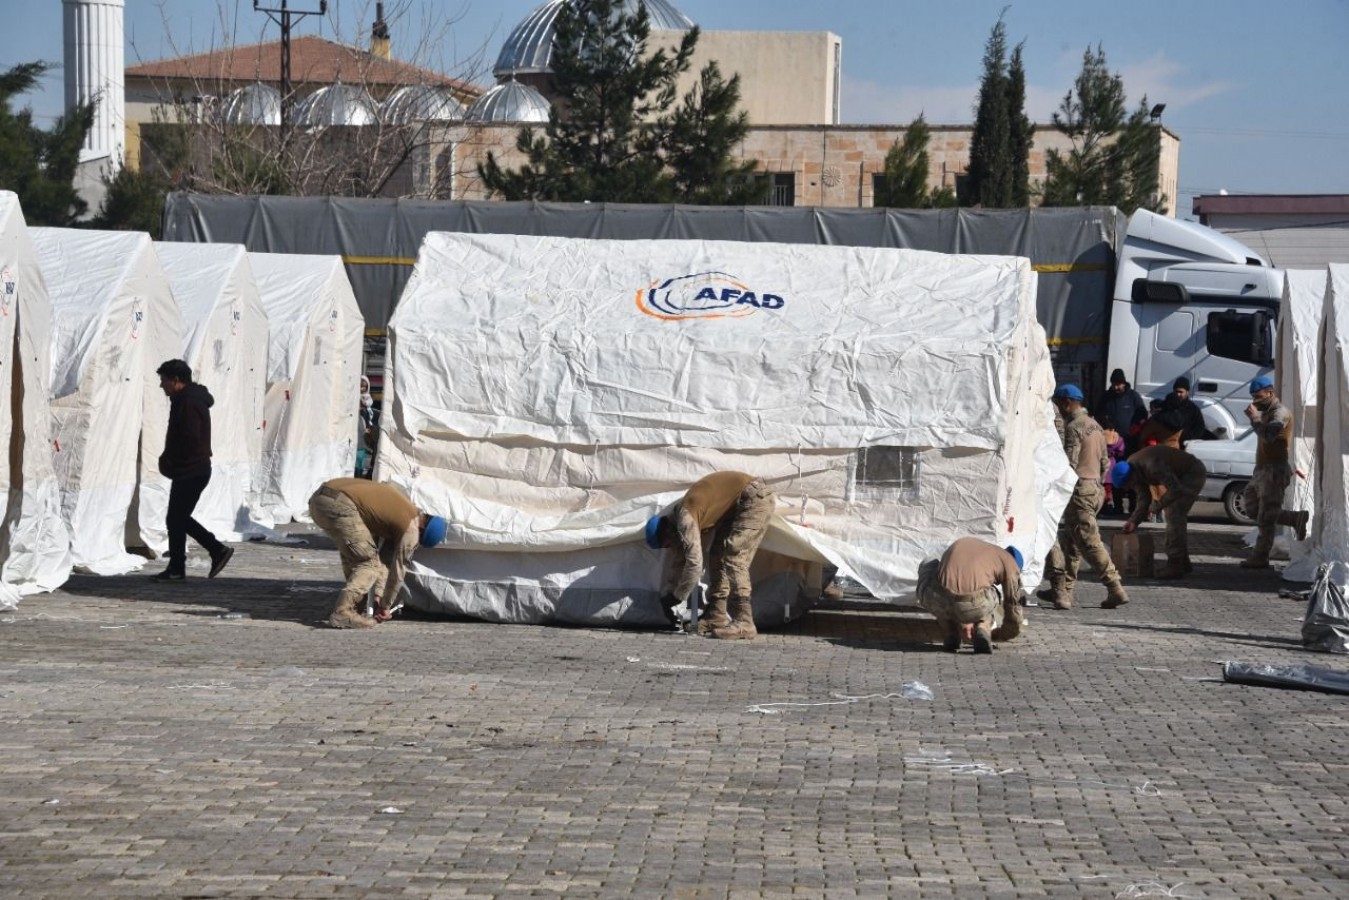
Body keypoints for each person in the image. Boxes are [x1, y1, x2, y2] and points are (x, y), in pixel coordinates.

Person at [645, 472, 776, 640]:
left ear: (666, 534)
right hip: (736, 506)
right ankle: (717, 615)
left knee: (734, 555)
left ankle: (744, 621)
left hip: (754, 498)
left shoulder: (685, 519)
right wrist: (669, 595)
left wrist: (676, 597)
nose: (670, 549)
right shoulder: (677, 521)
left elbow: (694, 565)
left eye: (667, 545)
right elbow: (681, 561)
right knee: (717, 555)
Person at [308, 478, 448, 628]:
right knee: (368, 563)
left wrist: (379, 596)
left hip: (319, 500)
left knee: (355, 557)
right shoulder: (411, 528)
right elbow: (398, 570)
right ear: (422, 532)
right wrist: (386, 606)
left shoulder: (401, 512)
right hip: (341, 505)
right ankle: (343, 611)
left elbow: (386, 560)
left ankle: (354, 609)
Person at [1041, 384, 1130, 609]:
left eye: (1059, 404)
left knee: (1090, 542)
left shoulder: (1074, 427)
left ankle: (1115, 587)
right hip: (1095, 488)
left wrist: (1058, 486)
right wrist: (1096, 485)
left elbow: (1069, 463)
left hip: (1079, 489)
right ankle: (1064, 593)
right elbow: (1104, 462)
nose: (1059, 409)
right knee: (1071, 541)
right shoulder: (1096, 425)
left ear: (1067, 403)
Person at [151, 359, 234, 583]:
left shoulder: (187, 402)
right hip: (193, 468)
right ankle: (183, 564)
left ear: (176, 381)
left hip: (191, 469)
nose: (162, 386)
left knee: (176, 518)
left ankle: (213, 550)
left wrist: (173, 462)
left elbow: (189, 439)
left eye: (164, 381)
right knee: (177, 518)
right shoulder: (187, 399)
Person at [1240, 374, 1310, 569]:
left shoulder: (1280, 413)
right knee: (1253, 508)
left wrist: (1254, 419)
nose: (1255, 401)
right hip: (1262, 469)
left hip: (1274, 470)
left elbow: (1270, 436)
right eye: (1253, 397)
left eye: (1258, 397)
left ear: (1270, 393)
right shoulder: (1267, 413)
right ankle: (1295, 518)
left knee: (1266, 517)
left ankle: (1260, 556)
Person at [1114, 445, 1208, 579]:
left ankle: (1175, 565)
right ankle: (1183, 563)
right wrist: (1133, 521)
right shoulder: (1132, 470)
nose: (1129, 488)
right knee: (1174, 513)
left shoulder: (1152, 466)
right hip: (1178, 477)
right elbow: (1143, 499)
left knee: (1175, 514)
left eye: (1128, 485)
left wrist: (1158, 506)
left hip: (1192, 472)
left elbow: (1175, 489)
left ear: (1131, 476)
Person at [916, 539, 1024, 653]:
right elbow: (1013, 605)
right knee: (994, 594)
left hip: (934, 599)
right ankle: (983, 628)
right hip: (971, 606)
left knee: (930, 564)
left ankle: (950, 633)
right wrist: (1004, 634)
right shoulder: (1010, 564)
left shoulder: (982, 550)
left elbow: (956, 584)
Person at [1096, 369, 1148, 448]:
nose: (1116, 387)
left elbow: (1142, 414)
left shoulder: (1133, 396)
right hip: (1111, 439)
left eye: (1118, 384)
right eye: (1113, 384)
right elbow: (1099, 414)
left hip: (1130, 439)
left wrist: (1135, 427)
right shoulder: (1106, 396)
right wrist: (1107, 424)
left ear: (1123, 383)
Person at [1162, 377, 1211, 447]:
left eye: (1181, 392)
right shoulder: (1167, 405)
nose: (1178, 394)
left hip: (1186, 444)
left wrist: (1185, 437)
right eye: (1176, 392)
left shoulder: (1193, 409)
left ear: (1187, 392)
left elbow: (1199, 429)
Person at [356, 376, 378, 478]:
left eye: (364, 387)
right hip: (358, 426)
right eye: (360, 386)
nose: (362, 389)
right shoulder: (356, 397)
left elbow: (369, 409)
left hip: (365, 427)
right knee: (358, 454)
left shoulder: (367, 399)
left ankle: (359, 473)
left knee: (361, 455)